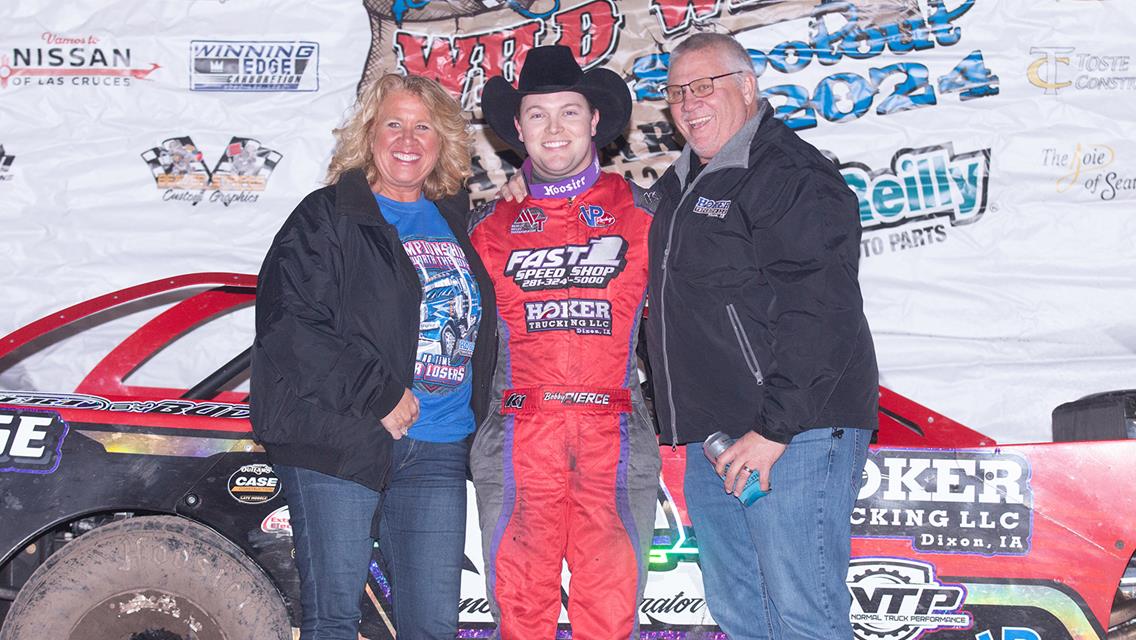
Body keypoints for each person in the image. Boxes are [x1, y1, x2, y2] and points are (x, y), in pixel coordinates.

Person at [644, 33, 879, 639]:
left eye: (705, 86)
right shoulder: (679, 185)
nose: (689, 102)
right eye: (676, 92)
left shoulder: (788, 174)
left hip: (789, 434)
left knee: (805, 617)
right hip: (716, 438)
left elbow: (822, 308)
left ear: (748, 87)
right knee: (742, 614)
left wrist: (775, 428)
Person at [249, 73, 497, 640]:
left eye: (423, 127)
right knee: (336, 618)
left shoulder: (456, 220)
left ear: (443, 143)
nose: (407, 139)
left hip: (439, 447)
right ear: (369, 133)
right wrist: (377, 393)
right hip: (344, 441)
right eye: (394, 124)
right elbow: (288, 325)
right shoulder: (327, 215)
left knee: (432, 627)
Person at [469, 45, 661, 639]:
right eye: (538, 115)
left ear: (595, 121)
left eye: (569, 112)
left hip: (617, 437)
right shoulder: (485, 226)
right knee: (520, 616)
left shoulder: (647, 213)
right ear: (517, 129)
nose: (555, 129)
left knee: (609, 617)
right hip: (519, 440)